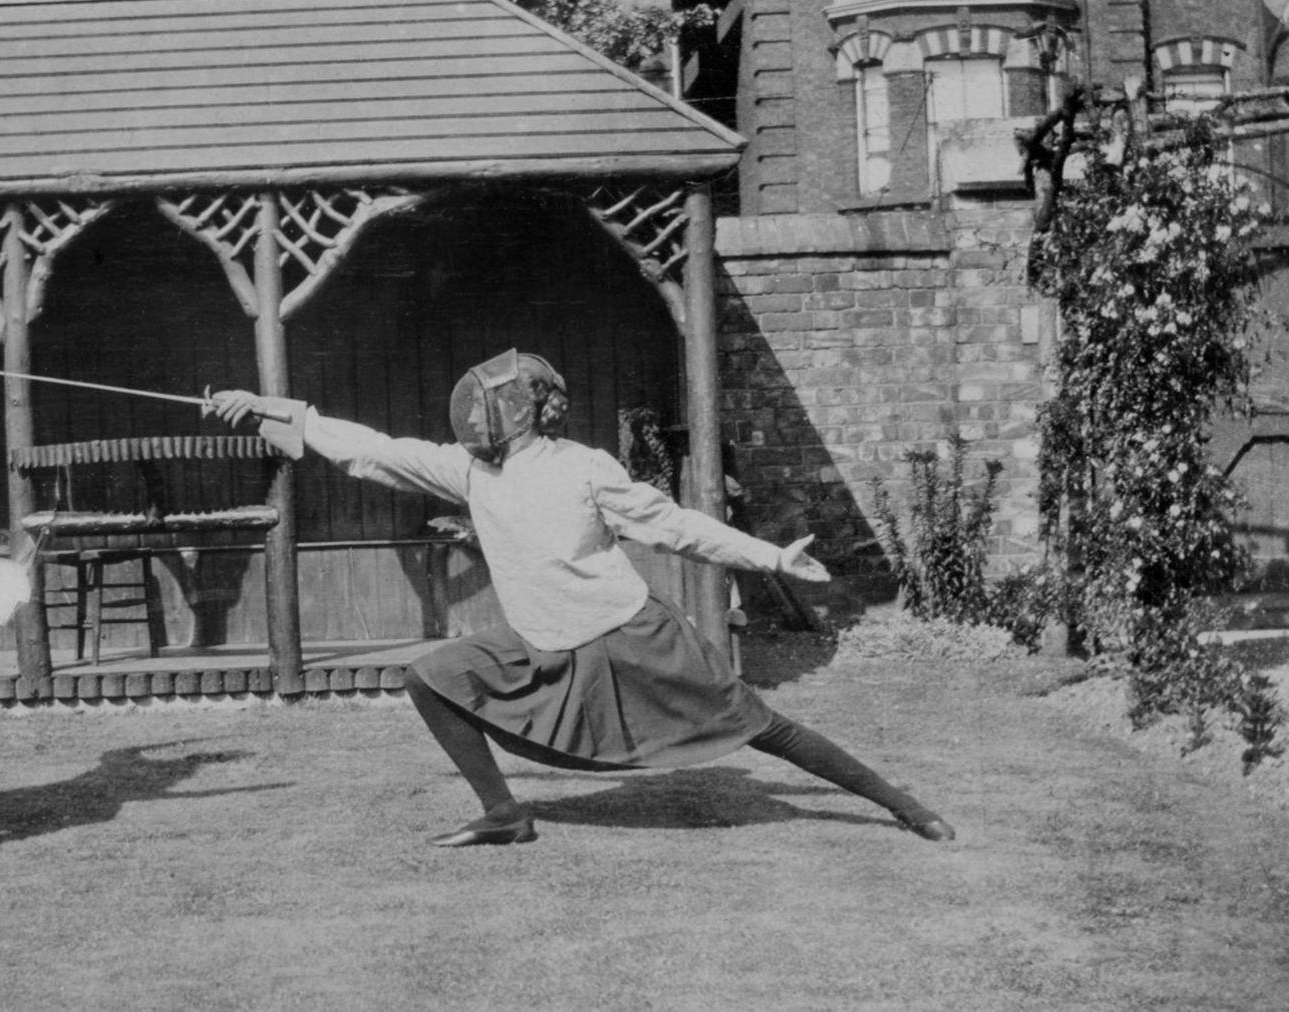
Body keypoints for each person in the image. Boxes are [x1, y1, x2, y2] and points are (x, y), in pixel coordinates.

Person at [212, 350, 953, 847]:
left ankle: (901, 802)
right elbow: (364, 445)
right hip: (542, 643)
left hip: (632, 635)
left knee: (761, 727)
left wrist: (769, 556)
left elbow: (675, 527)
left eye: (497, 401)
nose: (478, 412)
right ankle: (504, 814)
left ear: (536, 409)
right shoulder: (467, 471)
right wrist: (267, 406)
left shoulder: (585, 469)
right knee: (431, 678)